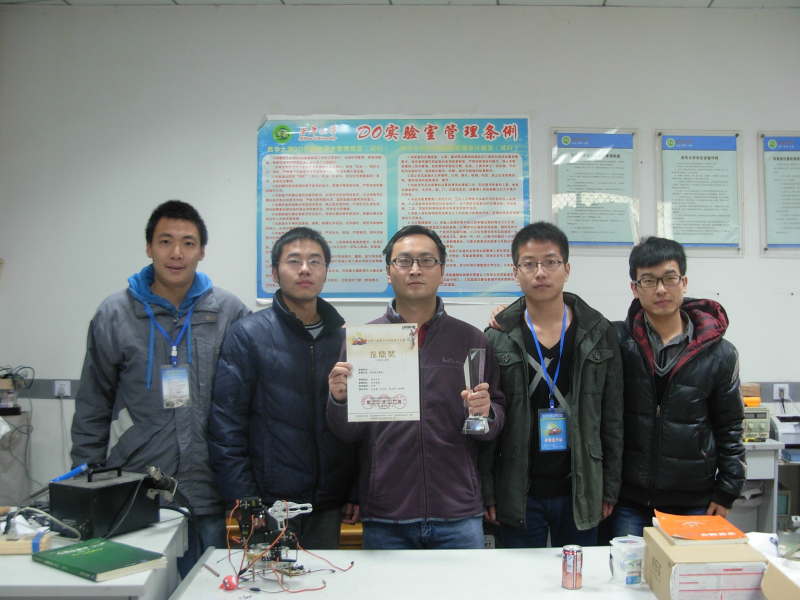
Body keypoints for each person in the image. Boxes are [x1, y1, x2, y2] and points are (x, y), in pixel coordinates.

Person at [71, 200, 251, 573]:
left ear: (202, 251)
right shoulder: (114, 314)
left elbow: (250, 400)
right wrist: (85, 482)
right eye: (165, 241)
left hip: (208, 488)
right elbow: (93, 404)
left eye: (188, 243)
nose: (176, 253)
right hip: (137, 487)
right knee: (140, 585)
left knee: (206, 587)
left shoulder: (228, 312)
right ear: (148, 247)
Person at [327, 225, 506, 550]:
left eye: (426, 260)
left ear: (442, 271)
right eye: (404, 261)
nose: (415, 269)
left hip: (458, 513)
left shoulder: (471, 339)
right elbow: (347, 434)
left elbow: (494, 421)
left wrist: (487, 412)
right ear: (388, 271)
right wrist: (339, 400)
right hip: (387, 514)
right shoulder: (364, 342)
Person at [207, 227, 357, 549]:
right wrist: (245, 500)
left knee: (327, 577)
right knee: (272, 580)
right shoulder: (248, 335)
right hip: (270, 504)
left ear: (325, 271)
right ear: (275, 273)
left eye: (315, 261)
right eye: (294, 261)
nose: (305, 269)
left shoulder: (345, 340)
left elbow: (358, 426)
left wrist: (354, 490)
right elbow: (226, 425)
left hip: (330, 504)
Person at [480, 222, 623, 548]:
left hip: (581, 489)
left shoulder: (598, 332)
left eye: (550, 262)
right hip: (518, 492)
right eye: (529, 264)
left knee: (577, 576)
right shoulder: (497, 337)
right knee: (520, 576)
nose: (540, 272)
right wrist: (488, 490)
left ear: (567, 269)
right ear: (516, 272)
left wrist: (610, 487)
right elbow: (489, 420)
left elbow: (613, 418)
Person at [608, 236, 745, 538]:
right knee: (627, 570)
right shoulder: (616, 342)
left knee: (689, 570)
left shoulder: (720, 354)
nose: (660, 289)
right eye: (649, 280)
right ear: (634, 288)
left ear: (684, 283)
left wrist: (727, 491)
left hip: (693, 500)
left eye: (669, 278)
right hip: (628, 500)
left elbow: (730, 426)